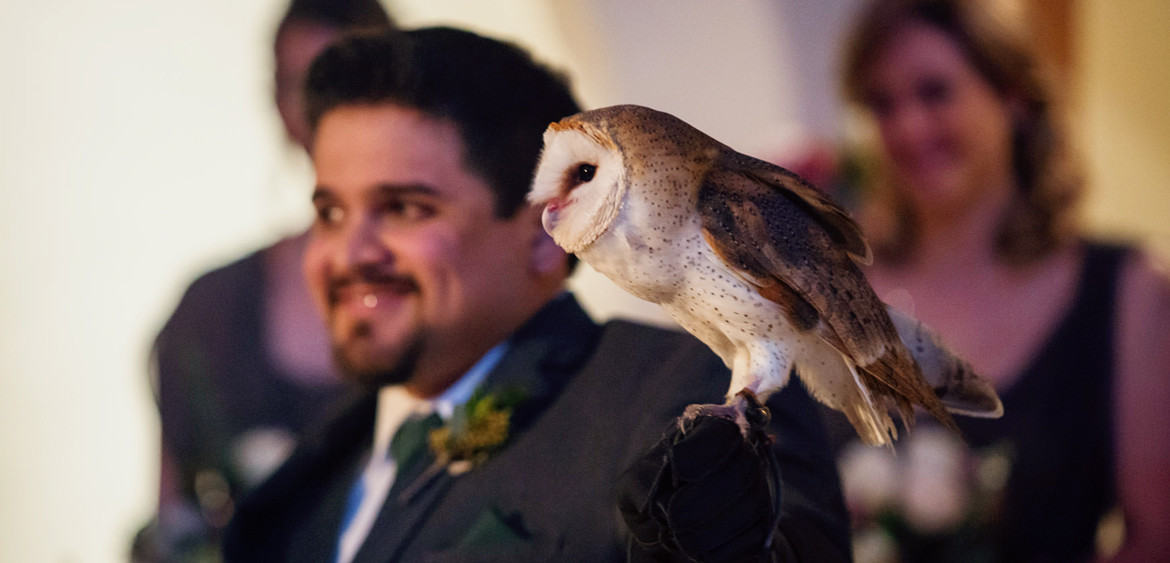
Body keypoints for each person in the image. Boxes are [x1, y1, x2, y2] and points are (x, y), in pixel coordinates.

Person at [222, 27, 852, 562]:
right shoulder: (301, 487)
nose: (350, 253)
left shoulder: (688, 397)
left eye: (404, 209)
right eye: (330, 213)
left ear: (546, 233)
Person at [829, 0, 1170, 561]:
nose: (907, 127)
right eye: (883, 104)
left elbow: (1157, 537)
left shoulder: (1128, 291)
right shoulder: (842, 288)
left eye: (934, 91)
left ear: (1011, 96)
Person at [136, 1, 394, 560]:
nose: (316, 106)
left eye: (341, 79)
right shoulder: (209, 311)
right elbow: (174, 520)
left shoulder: (452, 288)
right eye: (294, 83)